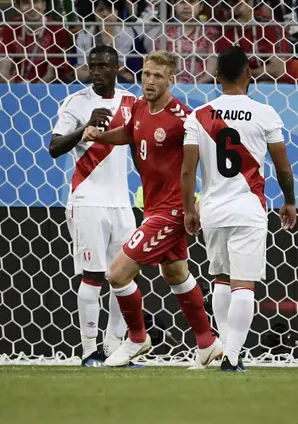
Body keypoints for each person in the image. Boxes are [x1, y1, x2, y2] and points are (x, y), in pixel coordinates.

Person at [81, 51, 223, 369]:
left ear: (171, 79)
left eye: (157, 76)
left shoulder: (183, 116)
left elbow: (205, 158)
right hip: (152, 207)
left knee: (116, 274)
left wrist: (198, 202)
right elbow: (129, 133)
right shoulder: (140, 107)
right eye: (146, 73)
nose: (149, 80)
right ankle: (207, 343)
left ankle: (137, 338)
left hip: (172, 211)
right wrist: (101, 136)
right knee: (175, 273)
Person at [181, 46, 298, 372]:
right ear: (250, 73)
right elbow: (283, 168)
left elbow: (188, 169)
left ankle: (225, 349)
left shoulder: (198, 115)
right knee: (244, 284)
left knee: (220, 279)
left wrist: (189, 208)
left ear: (216, 76)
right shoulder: (265, 114)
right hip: (248, 209)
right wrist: (289, 201)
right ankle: (232, 357)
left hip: (213, 210)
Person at [48, 45, 136, 366]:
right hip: (87, 201)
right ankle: (88, 350)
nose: (96, 72)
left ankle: (114, 348)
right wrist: (83, 129)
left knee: (122, 277)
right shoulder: (76, 102)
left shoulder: (131, 102)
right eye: (92, 67)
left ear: (116, 68)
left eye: (103, 67)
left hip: (121, 204)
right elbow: (54, 147)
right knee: (93, 275)